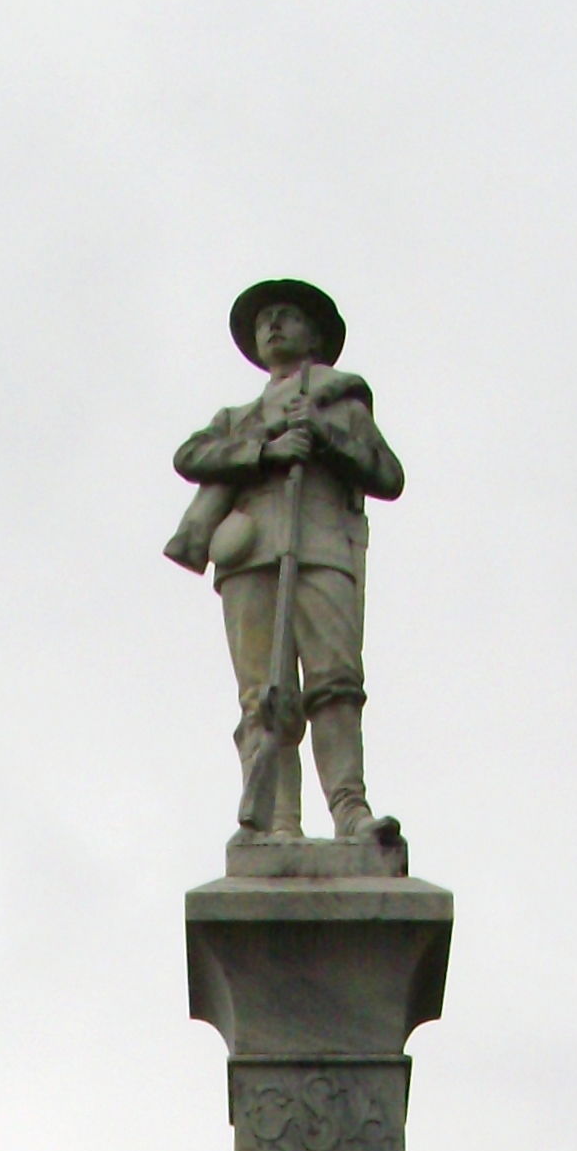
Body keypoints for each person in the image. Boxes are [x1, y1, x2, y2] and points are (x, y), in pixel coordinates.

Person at [168, 278, 404, 841]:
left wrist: (323, 434)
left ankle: (350, 809)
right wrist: (267, 446)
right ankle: (278, 823)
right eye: (264, 319)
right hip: (249, 553)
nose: (273, 325)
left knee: (336, 681)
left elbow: (387, 475)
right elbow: (191, 455)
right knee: (264, 696)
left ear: (314, 334)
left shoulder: (338, 398)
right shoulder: (239, 416)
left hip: (320, 544)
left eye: (287, 316)